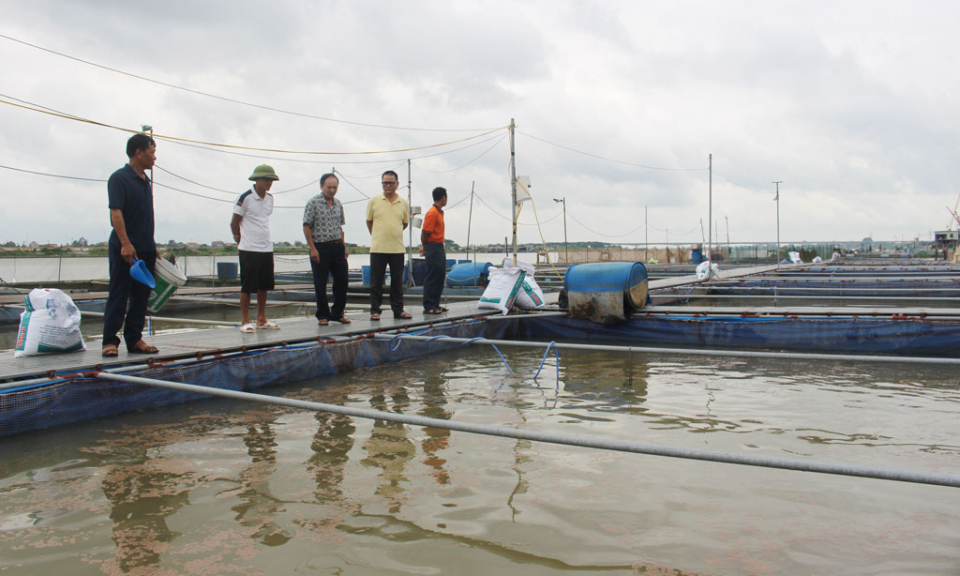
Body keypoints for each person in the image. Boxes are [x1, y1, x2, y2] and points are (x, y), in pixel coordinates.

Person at [102, 133, 159, 357]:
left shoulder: (146, 181)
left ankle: (134, 338)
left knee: (141, 296)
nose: (155, 157)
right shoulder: (119, 178)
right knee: (119, 293)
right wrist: (125, 243)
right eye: (152, 152)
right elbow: (116, 212)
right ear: (139, 152)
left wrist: (152, 245)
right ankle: (109, 341)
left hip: (145, 247)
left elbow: (145, 216)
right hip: (125, 248)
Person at [231, 164, 280, 333]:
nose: (269, 183)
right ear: (257, 179)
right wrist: (238, 239)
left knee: (264, 286)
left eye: (271, 180)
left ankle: (261, 318)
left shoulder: (270, 199)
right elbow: (234, 222)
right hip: (248, 248)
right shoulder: (245, 197)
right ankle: (245, 320)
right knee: (247, 286)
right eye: (266, 179)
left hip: (266, 247)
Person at [303, 173, 351, 326]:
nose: (332, 190)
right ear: (322, 186)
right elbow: (306, 226)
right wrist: (312, 248)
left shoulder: (338, 204)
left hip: (337, 245)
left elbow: (340, 227)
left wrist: (344, 246)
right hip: (320, 246)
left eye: (334, 187)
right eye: (329, 187)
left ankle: (338, 312)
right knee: (320, 282)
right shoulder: (313, 203)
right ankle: (323, 315)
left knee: (342, 280)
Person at [365, 170, 410, 320]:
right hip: (378, 248)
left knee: (397, 282)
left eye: (391, 182)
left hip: (397, 248)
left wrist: (392, 233)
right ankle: (375, 310)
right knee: (376, 281)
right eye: (385, 182)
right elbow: (369, 221)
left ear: (397, 184)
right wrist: (379, 235)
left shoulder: (403, 203)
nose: (388, 185)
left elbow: (404, 223)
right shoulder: (374, 201)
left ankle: (398, 310)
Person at [420, 187, 448, 315]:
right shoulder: (432, 213)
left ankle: (435, 304)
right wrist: (425, 247)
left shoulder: (440, 212)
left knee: (440, 276)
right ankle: (428, 305)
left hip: (439, 246)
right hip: (433, 247)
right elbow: (425, 233)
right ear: (443, 197)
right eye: (446, 196)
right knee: (432, 276)